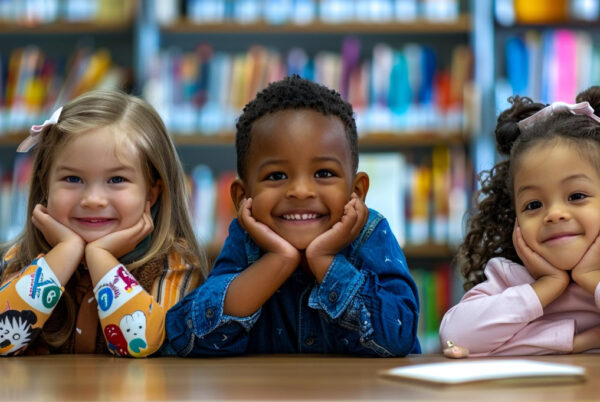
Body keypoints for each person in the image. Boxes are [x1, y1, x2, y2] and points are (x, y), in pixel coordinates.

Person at [165, 75, 420, 357]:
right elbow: (186, 337)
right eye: (277, 176)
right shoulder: (246, 240)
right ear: (242, 197)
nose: (300, 191)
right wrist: (279, 260)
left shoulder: (371, 234)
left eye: (324, 173)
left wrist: (324, 260)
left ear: (356, 192)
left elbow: (398, 337)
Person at [0, 90, 206, 357]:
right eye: (73, 179)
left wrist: (99, 257)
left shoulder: (173, 264)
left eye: (116, 180)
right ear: (44, 185)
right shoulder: (23, 258)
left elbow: (144, 345)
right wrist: (66, 252)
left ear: (152, 193)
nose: (93, 199)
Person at [439, 86, 600, 357]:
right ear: (515, 216)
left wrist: (591, 278)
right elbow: (455, 337)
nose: (554, 214)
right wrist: (547, 287)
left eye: (576, 195)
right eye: (533, 205)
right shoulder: (510, 277)